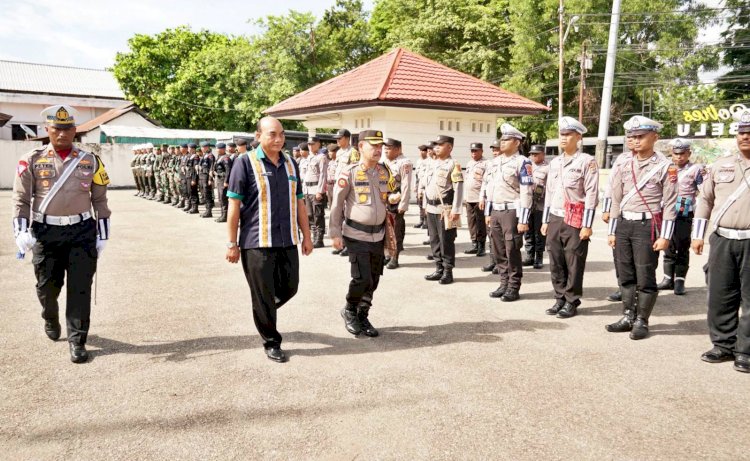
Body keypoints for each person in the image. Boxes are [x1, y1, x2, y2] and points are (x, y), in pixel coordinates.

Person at [12, 105, 111, 364]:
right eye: (57, 128)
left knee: (80, 289)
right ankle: (49, 315)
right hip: (46, 232)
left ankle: (77, 340)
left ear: (74, 130)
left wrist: (102, 235)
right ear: (48, 130)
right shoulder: (31, 159)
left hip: (82, 231)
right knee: (47, 287)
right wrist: (20, 231)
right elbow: (21, 199)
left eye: (67, 128)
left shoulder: (91, 160)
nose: (62, 133)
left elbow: (100, 200)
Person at [225, 116, 313, 363]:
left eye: (282, 134)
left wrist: (307, 236)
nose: (278, 139)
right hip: (256, 242)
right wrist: (232, 243)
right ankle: (271, 341)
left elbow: (299, 202)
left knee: (290, 287)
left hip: (287, 240)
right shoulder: (244, 163)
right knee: (263, 294)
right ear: (258, 136)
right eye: (272, 134)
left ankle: (262, 309)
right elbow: (234, 205)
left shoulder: (290, 164)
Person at [606, 115, 677, 339]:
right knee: (625, 274)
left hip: (647, 226)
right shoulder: (623, 162)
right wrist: (612, 231)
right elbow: (616, 197)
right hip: (624, 224)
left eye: (640, 136)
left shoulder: (665, 167)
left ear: (654, 137)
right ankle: (628, 315)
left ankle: (642, 320)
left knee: (645, 275)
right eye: (632, 137)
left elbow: (671, 204)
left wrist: (665, 236)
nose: (635, 141)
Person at [691, 109, 750, 373]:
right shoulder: (720, 165)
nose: (745, 137)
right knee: (720, 294)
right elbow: (705, 200)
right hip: (722, 239)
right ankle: (722, 345)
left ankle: (745, 351)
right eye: (741, 133)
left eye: (749, 133)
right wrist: (698, 235)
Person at [330, 130, 394, 337]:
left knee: (374, 278)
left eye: (380, 146)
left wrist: (394, 198)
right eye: (373, 146)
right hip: (356, 234)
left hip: (379, 234)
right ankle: (349, 310)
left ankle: (363, 313)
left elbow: (389, 194)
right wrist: (335, 233)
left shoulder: (384, 172)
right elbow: (337, 204)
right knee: (362, 277)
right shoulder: (348, 172)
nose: (378, 150)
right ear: (360, 147)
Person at [541, 117, 600, 318]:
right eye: (561, 134)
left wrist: (587, 224)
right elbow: (549, 192)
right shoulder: (555, 162)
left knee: (574, 261)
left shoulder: (586, 162)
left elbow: (592, 194)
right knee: (556, 260)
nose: (563, 138)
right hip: (556, 217)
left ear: (578, 137)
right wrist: (545, 220)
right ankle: (559, 298)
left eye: (568, 135)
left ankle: (572, 300)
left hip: (575, 219)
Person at [483, 124, 533, 302]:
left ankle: (513, 286)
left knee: (512, 249)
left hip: (512, 211)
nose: (502, 142)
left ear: (517, 142)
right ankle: (503, 282)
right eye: (501, 139)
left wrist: (524, 219)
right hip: (496, 210)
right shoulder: (494, 162)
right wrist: (488, 212)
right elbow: (489, 188)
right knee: (498, 249)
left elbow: (526, 191)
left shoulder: (523, 162)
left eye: (506, 139)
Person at [656, 138, 704, 295]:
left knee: (682, 246)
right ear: (671, 153)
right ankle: (667, 279)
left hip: (684, 211)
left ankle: (680, 281)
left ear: (688, 153)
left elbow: (704, 190)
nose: (679, 157)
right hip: (666, 211)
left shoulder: (696, 170)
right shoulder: (665, 167)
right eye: (676, 154)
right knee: (668, 245)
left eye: (682, 154)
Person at [421, 135, 464, 285]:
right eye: (436, 145)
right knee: (434, 240)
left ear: (449, 147)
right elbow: (427, 186)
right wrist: (425, 205)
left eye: (441, 144)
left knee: (446, 241)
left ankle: (447, 271)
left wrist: (457, 210)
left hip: (444, 209)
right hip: (431, 208)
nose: (436, 147)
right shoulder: (431, 164)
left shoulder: (453, 165)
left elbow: (458, 189)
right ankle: (438, 268)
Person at [601, 131, 635, 302]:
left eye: (636, 136)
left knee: (641, 258)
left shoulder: (659, 161)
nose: (631, 140)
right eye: (628, 137)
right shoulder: (621, 159)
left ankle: (640, 290)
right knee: (620, 255)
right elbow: (611, 186)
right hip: (620, 213)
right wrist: (606, 209)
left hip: (645, 217)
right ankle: (623, 286)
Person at [383, 137, 413, 269]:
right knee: (385, 229)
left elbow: (406, 185)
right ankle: (387, 254)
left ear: (398, 149)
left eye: (389, 148)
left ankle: (395, 257)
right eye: (385, 148)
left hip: (397, 199)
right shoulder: (384, 162)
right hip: (385, 198)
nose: (385, 151)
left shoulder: (404, 162)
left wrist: (403, 204)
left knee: (395, 230)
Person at [333, 129, 360, 257]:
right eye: (337, 138)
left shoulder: (353, 152)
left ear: (347, 138)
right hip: (339, 187)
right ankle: (341, 244)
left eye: (340, 138)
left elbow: (355, 172)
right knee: (339, 216)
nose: (337, 140)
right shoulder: (339, 152)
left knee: (348, 218)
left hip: (348, 189)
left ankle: (349, 246)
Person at [523, 144, 549, 269]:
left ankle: (538, 258)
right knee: (528, 232)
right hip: (527, 204)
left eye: (536, 154)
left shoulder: (548, 168)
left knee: (539, 233)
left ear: (543, 154)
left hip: (540, 205)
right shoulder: (527, 166)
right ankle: (529, 256)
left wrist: (540, 192)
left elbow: (550, 188)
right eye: (532, 154)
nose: (533, 156)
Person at [463, 142, 489, 257]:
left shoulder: (486, 163)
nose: (473, 153)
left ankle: (481, 246)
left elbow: (486, 182)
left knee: (480, 223)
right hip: (469, 198)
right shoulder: (469, 163)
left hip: (479, 198)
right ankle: (474, 244)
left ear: (481, 151)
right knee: (471, 222)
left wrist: (483, 197)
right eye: (472, 151)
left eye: (476, 151)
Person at [481, 139, 502, 274]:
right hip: (489, 203)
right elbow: (485, 183)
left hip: (501, 205)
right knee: (491, 235)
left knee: (499, 238)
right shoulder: (490, 165)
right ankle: (493, 261)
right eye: (493, 150)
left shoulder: (505, 164)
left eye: (497, 149)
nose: (495, 152)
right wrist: (481, 197)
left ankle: (500, 264)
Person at [304, 137, 329, 247]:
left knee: (318, 215)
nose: (310, 146)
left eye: (312, 144)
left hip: (316, 189)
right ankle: (314, 237)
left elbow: (323, 175)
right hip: (308, 189)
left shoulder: (321, 157)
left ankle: (319, 239)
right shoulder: (309, 157)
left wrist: (320, 191)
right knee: (309, 215)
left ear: (318, 144)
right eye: (309, 144)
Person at [213, 142, 233, 222]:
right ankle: (222, 215)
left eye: (218, 148)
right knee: (220, 198)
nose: (217, 150)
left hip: (223, 180)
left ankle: (225, 216)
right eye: (217, 148)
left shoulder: (226, 158)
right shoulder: (219, 157)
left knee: (223, 198)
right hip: (219, 179)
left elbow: (228, 170)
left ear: (223, 149)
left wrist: (226, 181)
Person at [198, 141, 216, 218]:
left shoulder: (210, 156)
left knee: (207, 194)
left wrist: (210, 179)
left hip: (206, 178)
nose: (202, 149)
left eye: (203, 147)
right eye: (202, 147)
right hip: (202, 177)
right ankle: (207, 210)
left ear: (207, 147)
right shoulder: (205, 155)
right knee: (204, 194)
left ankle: (209, 211)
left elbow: (211, 168)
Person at [413, 145, 429, 229]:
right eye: (420, 151)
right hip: (419, 184)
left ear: (427, 152)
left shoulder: (429, 161)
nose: (421, 152)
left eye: (423, 151)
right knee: (419, 204)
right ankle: (421, 220)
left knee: (425, 204)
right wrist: (415, 186)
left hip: (426, 186)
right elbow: (417, 175)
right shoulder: (418, 161)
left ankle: (426, 222)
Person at [185, 143, 200, 214]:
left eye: (189, 148)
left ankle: (195, 208)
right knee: (189, 192)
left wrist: (194, 179)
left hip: (192, 177)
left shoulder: (195, 157)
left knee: (193, 192)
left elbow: (195, 169)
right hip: (188, 176)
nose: (188, 149)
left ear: (193, 149)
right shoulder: (189, 156)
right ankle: (191, 206)